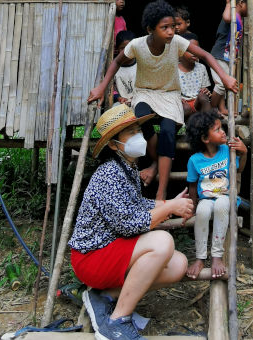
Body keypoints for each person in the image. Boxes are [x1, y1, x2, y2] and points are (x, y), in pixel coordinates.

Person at [88, 0, 238, 200]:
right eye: (164, 27)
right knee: (142, 116)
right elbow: (116, 61)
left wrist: (225, 76)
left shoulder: (176, 42)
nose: (170, 32)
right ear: (151, 29)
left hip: (169, 95)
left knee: (168, 132)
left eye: (173, 27)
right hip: (145, 93)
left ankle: (161, 192)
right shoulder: (137, 45)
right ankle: (155, 164)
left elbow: (206, 56)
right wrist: (101, 87)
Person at [69, 103, 194, 340]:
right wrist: (170, 207)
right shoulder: (109, 174)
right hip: (91, 257)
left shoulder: (127, 169)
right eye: (132, 132)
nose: (140, 136)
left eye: (139, 130)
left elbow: (138, 206)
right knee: (162, 242)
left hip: (110, 251)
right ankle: (117, 321)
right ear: (115, 144)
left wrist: (169, 203)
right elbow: (130, 224)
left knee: (178, 265)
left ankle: (105, 296)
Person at [185, 110, 247, 279]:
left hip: (226, 198)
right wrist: (191, 207)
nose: (223, 132)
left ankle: (217, 256)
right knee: (202, 212)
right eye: (218, 129)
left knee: (220, 205)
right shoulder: (195, 160)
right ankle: (200, 257)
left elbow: (239, 170)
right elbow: (192, 186)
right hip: (206, 199)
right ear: (205, 139)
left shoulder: (227, 150)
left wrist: (244, 152)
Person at [210, 0, 248, 116]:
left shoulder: (239, 18)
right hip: (219, 55)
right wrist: (228, 4)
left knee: (224, 84)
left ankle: (221, 108)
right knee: (221, 84)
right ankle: (211, 109)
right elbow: (226, 17)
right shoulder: (233, 14)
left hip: (226, 56)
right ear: (241, 3)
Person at [178, 33, 212, 120]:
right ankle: (188, 130)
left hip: (198, 102)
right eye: (190, 50)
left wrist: (206, 91)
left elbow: (205, 89)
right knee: (185, 108)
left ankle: (208, 126)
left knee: (203, 97)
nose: (194, 53)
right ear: (180, 51)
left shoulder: (201, 67)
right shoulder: (173, 69)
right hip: (183, 104)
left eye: (197, 50)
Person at [113, 30, 137, 106]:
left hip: (139, 101)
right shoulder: (114, 68)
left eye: (129, 47)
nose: (126, 51)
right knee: (115, 107)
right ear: (117, 49)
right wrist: (118, 98)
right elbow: (111, 89)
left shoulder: (140, 64)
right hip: (122, 103)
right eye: (122, 48)